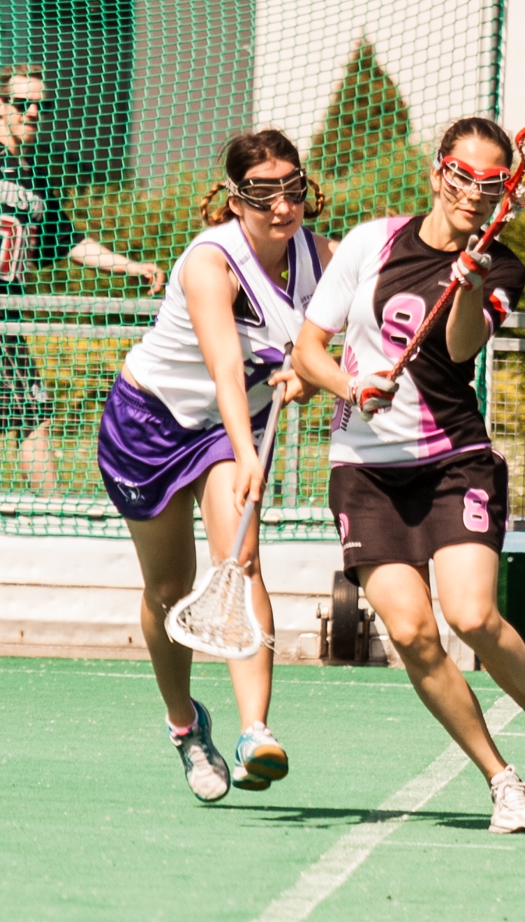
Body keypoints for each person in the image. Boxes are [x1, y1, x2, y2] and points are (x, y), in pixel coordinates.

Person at [292, 117, 525, 834]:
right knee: (413, 634)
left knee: (470, 616)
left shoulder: (502, 267)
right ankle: (501, 779)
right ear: (438, 172)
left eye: (491, 183)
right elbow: (308, 350)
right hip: (366, 471)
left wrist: (468, 284)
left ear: (507, 190)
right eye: (462, 176)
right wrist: (350, 387)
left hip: (453, 460)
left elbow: (461, 346)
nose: (473, 192)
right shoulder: (371, 243)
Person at [96, 130, 335, 801]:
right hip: (149, 423)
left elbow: (342, 339)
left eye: (292, 188)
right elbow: (227, 369)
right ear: (235, 200)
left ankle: (256, 731)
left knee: (242, 560)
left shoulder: (323, 257)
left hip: (229, 434)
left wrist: (314, 376)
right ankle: (185, 724)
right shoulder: (211, 264)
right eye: (263, 193)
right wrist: (253, 450)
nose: (282, 206)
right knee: (169, 588)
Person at [0, 64, 164, 496]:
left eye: (38, 106)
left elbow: (69, 242)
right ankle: (55, 511)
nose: (31, 113)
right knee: (34, 418)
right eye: (21, 103)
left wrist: (132, 266)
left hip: (5, 313)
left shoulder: (36, 176)